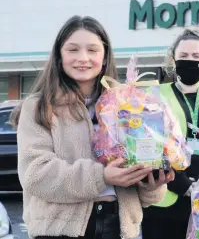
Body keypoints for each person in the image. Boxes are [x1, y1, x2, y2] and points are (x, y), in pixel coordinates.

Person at [10, 15, 172, 239]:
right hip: (60, 231)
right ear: (59, 56)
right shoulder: (38, 106)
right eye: (73, 50)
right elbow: (35, 175)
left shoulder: (128, 105)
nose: (83, 58)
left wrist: (151, 182)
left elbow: (145, 194)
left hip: (120, 228)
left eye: (93, 50)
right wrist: (102, 176)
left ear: (105, 57)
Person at [142, 29, 199, 239]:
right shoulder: (154, 96)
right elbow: (147, 146)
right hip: (165, 198)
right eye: (184, 56)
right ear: (173, 59)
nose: (190, 61)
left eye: (196, 56)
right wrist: (181, 184)